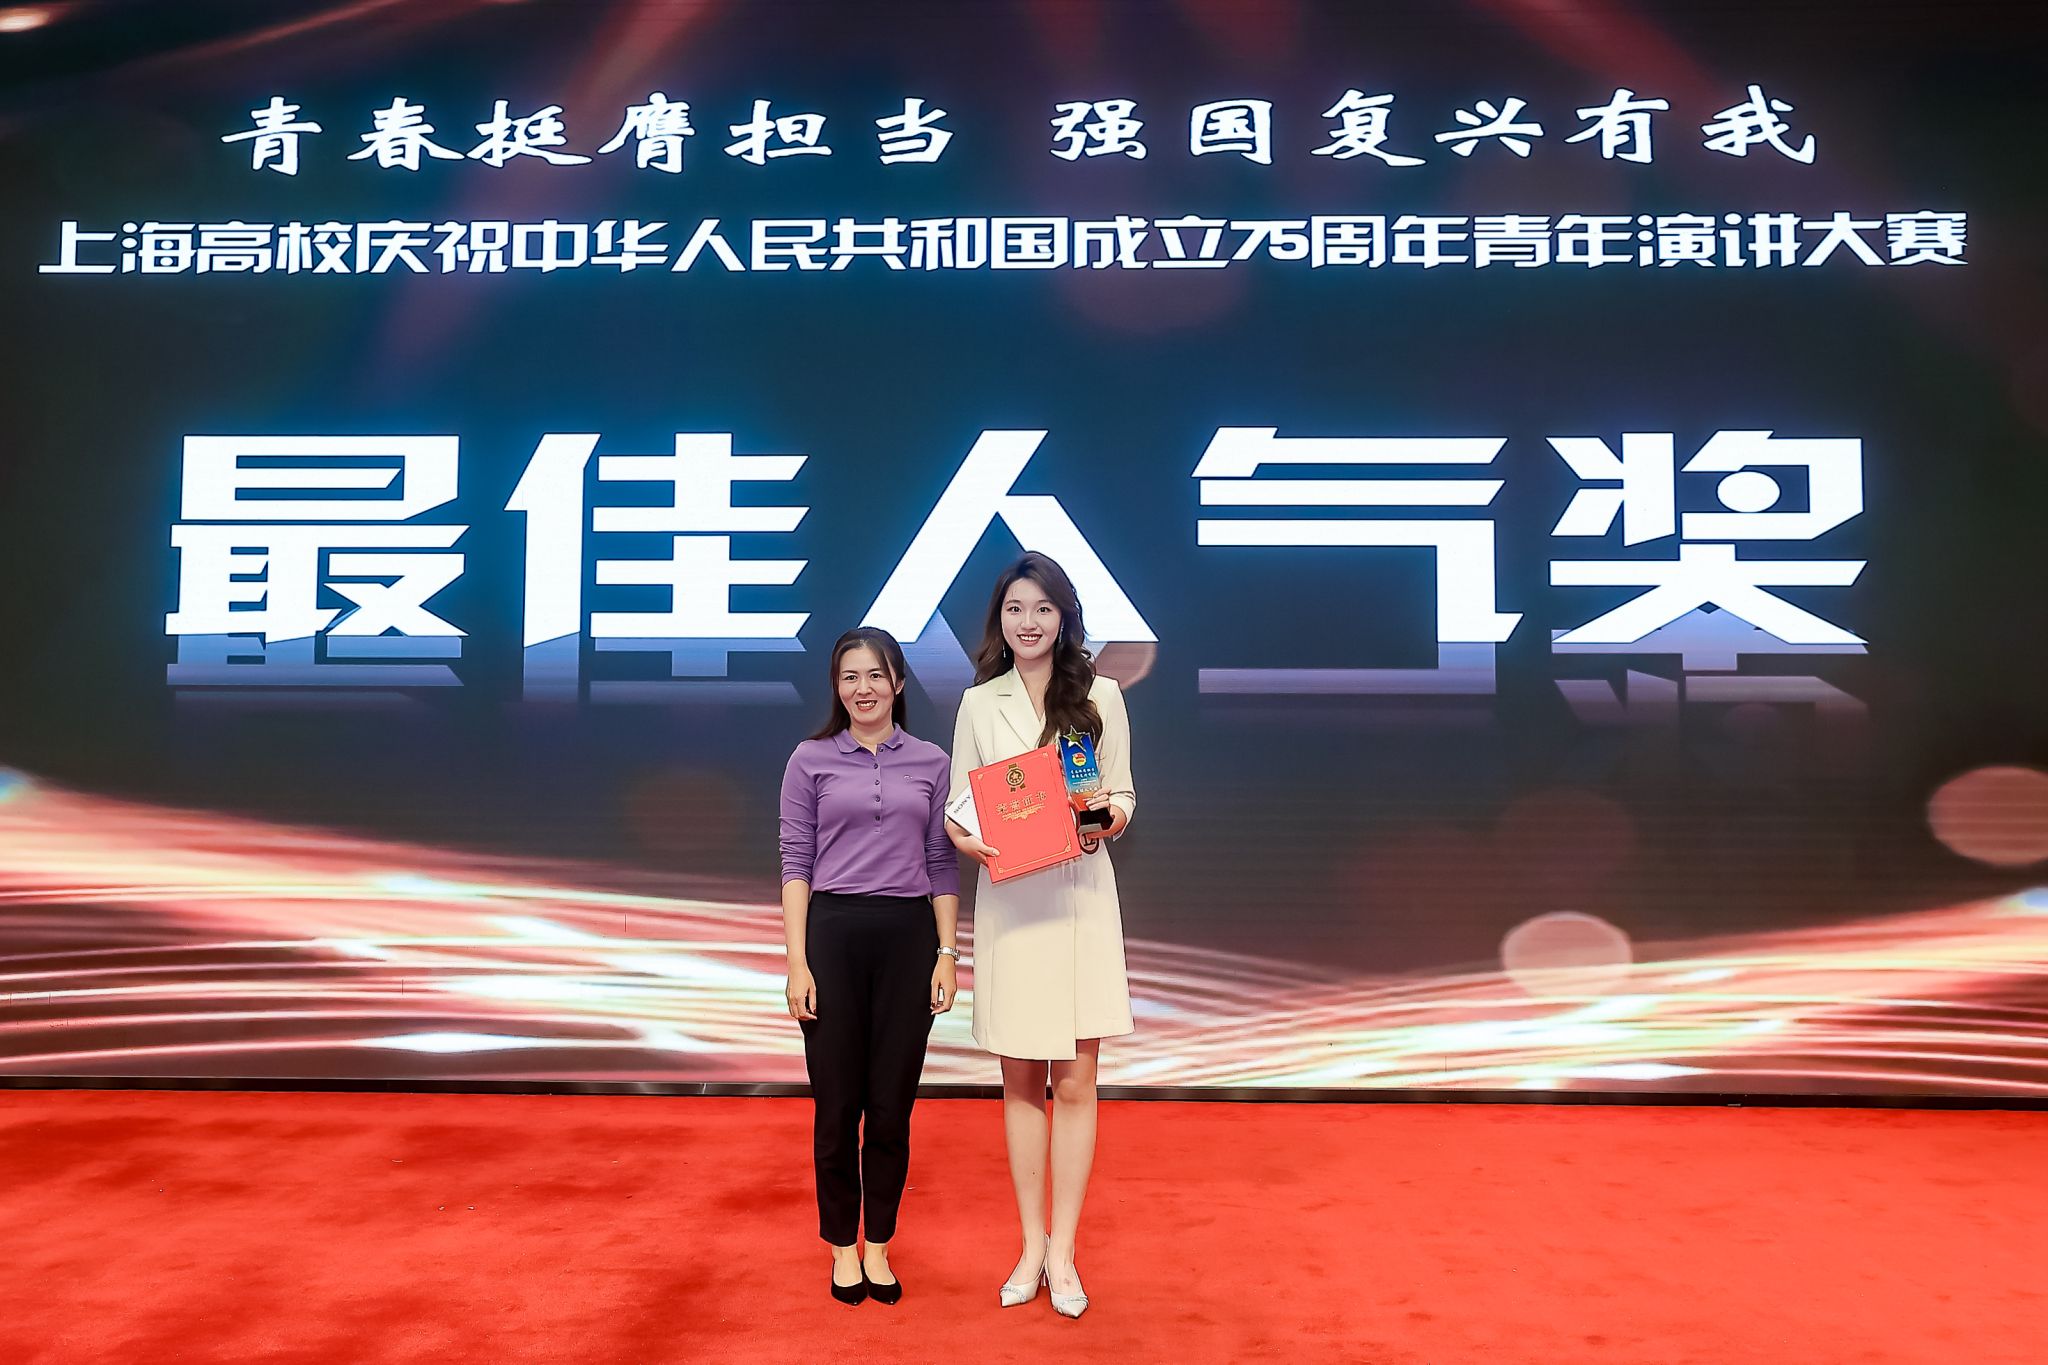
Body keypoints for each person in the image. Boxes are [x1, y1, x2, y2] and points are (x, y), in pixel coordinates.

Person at [945, 552, 1135, 1320]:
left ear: (1064, 617)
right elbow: (959, 806)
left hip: (1080, 897)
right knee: (1021, 1078)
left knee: (1078, 1081)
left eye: (1043, 609)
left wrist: (1105, 818)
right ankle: (1031, 1242)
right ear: (1000, 618)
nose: (1029, 622)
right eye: (1016, 608)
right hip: (1013, 902)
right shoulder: (977, 702)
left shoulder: (1101, 695)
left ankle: (1065, 1251)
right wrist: (968, 839)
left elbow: (1122, 794)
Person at [779, 626, 961, 1306]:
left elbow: (941, 863)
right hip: (832, 934)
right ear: (837, 686)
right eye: (850, 676)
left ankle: (878, 1244)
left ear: (899, 683)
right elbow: (795, 862)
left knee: (890, 1106)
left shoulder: (932, 761)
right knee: (837, 1105)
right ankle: (840, 1246)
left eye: (876, 675)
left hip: (908, 937)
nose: (864, 688)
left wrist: (947, 953)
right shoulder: (809, 760)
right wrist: (797, 962)